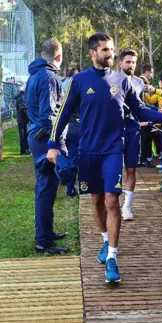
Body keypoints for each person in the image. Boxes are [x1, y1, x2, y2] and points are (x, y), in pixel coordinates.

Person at [47, 33, 162, 283]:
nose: (110, 54)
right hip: (88, 151)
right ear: (93, 53)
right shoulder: (78, 81)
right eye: (105, 49)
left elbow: (139, 110)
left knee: (111, 201)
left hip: (114, 151)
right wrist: (53, 145)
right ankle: (105, 241)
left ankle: (113, 258)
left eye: (112, 49)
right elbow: (62, 115)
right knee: (95, 200)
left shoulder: (123, 80)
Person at [25, 38, 67, 254]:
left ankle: (46, 233)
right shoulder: (48, 76)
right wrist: (56, 143)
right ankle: (43, 240)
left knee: (46, 187)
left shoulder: (34, 74)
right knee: (46, 187)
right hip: (43, 137)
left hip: (36, 134)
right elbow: (49, 114)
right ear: (58, 57)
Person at [118, 49, 144, 220]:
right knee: (113, 169)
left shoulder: (140, 82)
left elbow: (141, 106)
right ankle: (112, 202)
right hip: (115, 130)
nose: (131, 65)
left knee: (131, 169)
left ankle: (126, 206)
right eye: (128, 62)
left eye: (134, 62)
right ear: (120, 63)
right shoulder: (111, 79)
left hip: (133, 131)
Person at [63, 66, 80, 198]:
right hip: (82, 130)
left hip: (71, 129)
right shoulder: (83, 92)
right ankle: (82, 186)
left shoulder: (65, 92)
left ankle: (69, 188)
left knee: (72, 159)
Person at [15, 82, 29, 155]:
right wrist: (30, 114)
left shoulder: (21, 96)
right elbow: (23, 108)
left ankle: (25, 149)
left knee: (25, 135)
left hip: (23, 119)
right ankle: (23, 150)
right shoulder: (21, 97)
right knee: (23, 135)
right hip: (22, 119)